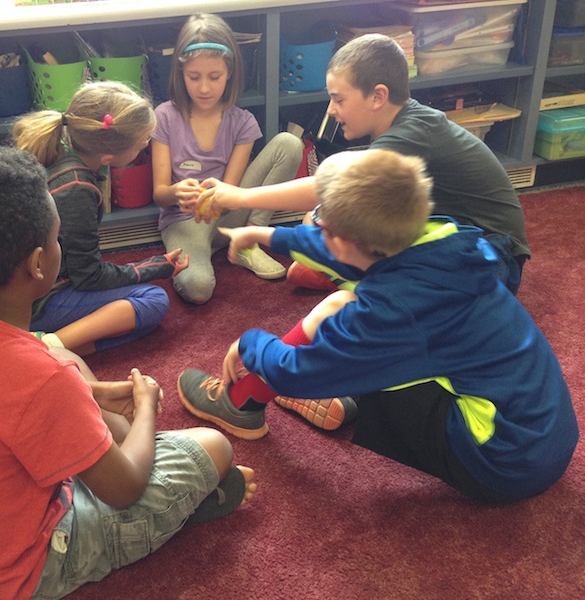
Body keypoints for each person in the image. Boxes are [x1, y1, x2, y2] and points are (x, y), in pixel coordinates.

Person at [0, 146, 257, 600]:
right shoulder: (42, 380)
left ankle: (128, 460)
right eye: (56, 239)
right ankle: (182, 512)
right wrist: (146, 406)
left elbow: (16, 382)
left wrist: (92, 394)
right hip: (23, 570)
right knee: (213, 446)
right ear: (38, 263)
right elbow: (124, 489)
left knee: (71, 367)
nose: (59, 246)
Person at [177, 148, 578, 504]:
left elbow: (298, 371)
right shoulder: (439, 236)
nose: (316, 227)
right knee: (344, 303)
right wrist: (268, 235)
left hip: (501, 461)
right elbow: (356, 250)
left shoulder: (393, 308)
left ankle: (249, 400)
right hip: (544, 433)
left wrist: (250, 344)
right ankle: (325, 397)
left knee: (350, 337)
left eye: (321, 223)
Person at [197, 33, 530, 296]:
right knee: (320, 220)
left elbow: (325, 188)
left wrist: (238, 197)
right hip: (456, 234)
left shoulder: (411, 135)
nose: (330, 109)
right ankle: (349, 270)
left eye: (338, 99)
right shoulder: (404, 124)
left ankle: (362, 282)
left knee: (375, 300)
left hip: (492, 257)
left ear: (377, 96)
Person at [12, 81, 188, 355]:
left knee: (133, 318)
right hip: (38, 302)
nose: (145, 147)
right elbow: (88, 277)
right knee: (153, 300)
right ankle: (46, 346)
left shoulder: (62, 150)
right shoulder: (78, 189)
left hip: (28, 289)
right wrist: (155, 267)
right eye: (142, 143)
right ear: (108, 157)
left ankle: (63, 341)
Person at [151, 13, 304, 304]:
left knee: (289, 143)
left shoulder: (242, 122)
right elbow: (159, 195)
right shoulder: (164, 117)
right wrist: (175, 192)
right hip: (183, 222)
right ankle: (206, 251)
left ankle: (249, 238)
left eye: (214, 77)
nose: (204, 88)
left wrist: (217, 199)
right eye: (194, 77)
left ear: (229, 72)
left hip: (228, 212)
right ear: (180, 73)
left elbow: (231, 192)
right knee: (198, 288)